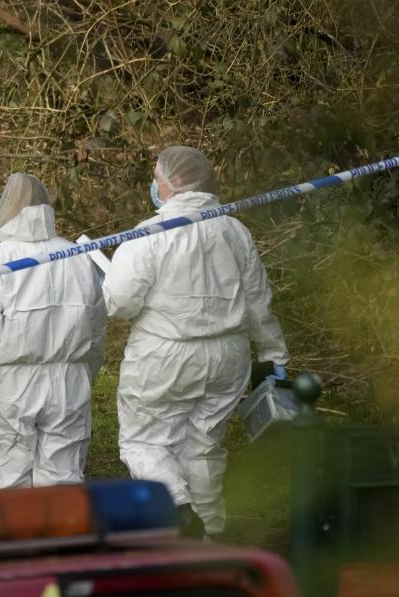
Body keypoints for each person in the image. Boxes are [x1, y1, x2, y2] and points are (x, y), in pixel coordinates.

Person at [104, 146, 290, 538]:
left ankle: (177, 506)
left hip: (165, 355)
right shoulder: (234, 230)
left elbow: (120, 303)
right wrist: (275, 355)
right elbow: (258, 299)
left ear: (170, 184)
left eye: (156, 179)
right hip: (228, 356)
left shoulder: (150, 235)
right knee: (204, 447)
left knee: (144, 442)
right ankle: (212, 535)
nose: (154, 187)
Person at [0, 173, 107, 489]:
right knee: (64, 479)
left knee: (11, 478)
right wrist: (86, 374)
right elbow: (96, 328)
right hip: (69, 381)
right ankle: (62, 538)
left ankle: (23, 536)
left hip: (15, 386)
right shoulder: (75, 257)